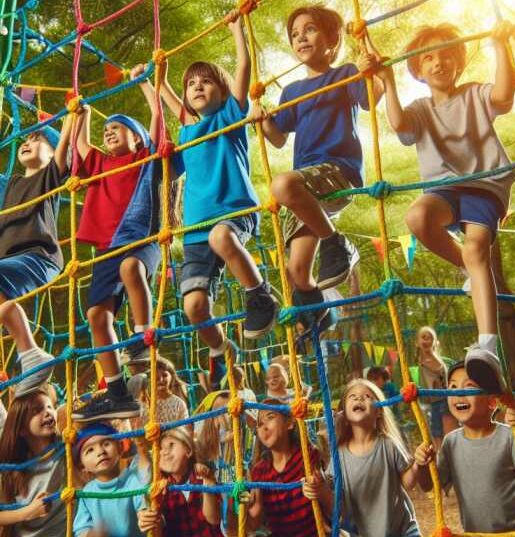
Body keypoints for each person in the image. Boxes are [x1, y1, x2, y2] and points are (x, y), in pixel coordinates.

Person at [374, 23, 515, 392]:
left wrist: (501, 46)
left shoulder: (474, 93)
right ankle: (469, 270)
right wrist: (387, 79)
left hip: (484, 184)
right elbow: (399, 124)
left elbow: (503, 95)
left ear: (458, 61)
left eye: (446, 54)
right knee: (417, 217)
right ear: (418, 69)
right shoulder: (420, 109)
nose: (438, 62)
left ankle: (488, 346)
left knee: (476, 247)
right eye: (428, 57)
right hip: (444, 188)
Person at [157, 10, 278, 390]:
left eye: (205, 81)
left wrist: (236, 28)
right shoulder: (188, 131)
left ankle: (260, 295)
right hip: (194, 231)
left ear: (221, 91)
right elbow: (164, 94)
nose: (196, 86)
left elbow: (243, 68)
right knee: (194, 308)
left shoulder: (228, 116)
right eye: (191, 83)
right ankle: (220, 349)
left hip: (233, 211)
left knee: (221, 238)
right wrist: (153, 77)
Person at [252, 4, 383, 334]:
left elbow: (372, 97)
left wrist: (372, 71)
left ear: (332, 39)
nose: (301, 38)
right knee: (297, 270)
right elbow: (279, 138)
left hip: (337, 171)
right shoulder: (292, 91)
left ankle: (337, 242)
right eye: (295, 34)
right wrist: (261, 119)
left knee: (280, 187)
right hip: (306, 188)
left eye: (309, 29)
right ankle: (321, 315)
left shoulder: (345, 74)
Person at [71, 64, 164, 422]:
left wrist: (143, 82)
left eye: (118, 128)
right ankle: (116, 392)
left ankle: (141, 339)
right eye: (106, 130)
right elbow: (81, 144)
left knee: (131, 268)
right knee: (96, 315)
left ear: (137, 138)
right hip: (106, 247)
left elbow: (158, 119)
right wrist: (83, 114)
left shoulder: (145, 159)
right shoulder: (99, 164)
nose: (109, 133)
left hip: (140, 240)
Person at [414, 360, 515, 532]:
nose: (459, 393)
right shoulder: (450, 443)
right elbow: (430, 486)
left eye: (469, 387)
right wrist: (422, 464)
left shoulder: (508, 436)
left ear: (492, 401)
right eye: (453, 387)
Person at [0, 120, 72, 397]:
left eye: (37, 139)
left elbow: (65, 149)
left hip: (39, 257)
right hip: (10, 263)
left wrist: (72, 118)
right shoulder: (9, 186)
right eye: (25, 140)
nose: (27, 143)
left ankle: (31, 351)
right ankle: (28, 357)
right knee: (5, 308)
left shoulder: (49, 177)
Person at [303, 379, 420, 536]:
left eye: (367, 396)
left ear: (379, 411)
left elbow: (408, 482)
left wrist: (419, 463)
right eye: (352, 396)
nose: (359, 398)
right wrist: (319, 488)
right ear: (344, 412)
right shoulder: (339, 455)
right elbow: (337, 506)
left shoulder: (388, 444)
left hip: (403, 530)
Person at [246, 400, 322, 537]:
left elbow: (327, 504)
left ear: (290, 423)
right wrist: (242, 506)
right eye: (259, 424)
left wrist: (318, 487)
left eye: (270, 417)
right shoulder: (258, 471)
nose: (264, 427)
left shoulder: (306, 456)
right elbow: (254, 523)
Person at [0, 388, 66, 536]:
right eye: (37, 411)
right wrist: (28, 512)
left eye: (50, 407)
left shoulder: (66, 449)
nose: (48, 412)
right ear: (22, 429)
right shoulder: (15, 468)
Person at [138, 427, 222, 536]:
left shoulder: (202, 478)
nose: (164, 452)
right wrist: (149, 519)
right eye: (160, 449)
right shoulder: (160, 488)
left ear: (188, 450)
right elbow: (159, 530)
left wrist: (208, 482)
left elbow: (213, 519)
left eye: (171, 445)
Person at [72, 422, 150, 537]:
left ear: (120, 448)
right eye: (90, 450)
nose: (100, 452)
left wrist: (144, 516)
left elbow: (144, 508)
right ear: (83, 466)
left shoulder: (132, 480)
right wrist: (93, 534)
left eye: (106, 443)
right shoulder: (86, 493)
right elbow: (80, 529)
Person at [413, 326, 457, 448]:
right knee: (437, 435)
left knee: (451, 435)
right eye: (424, 337)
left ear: (435, 341)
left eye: (430, 338)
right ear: (417, 342)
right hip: (431, 405)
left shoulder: (442, 361)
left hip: (446, 400)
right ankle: (441, 458)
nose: (426, 341)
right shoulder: (419, 364)